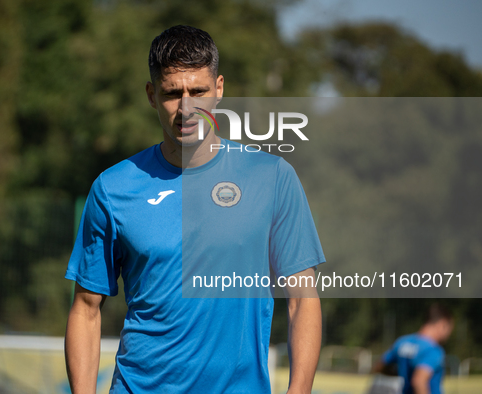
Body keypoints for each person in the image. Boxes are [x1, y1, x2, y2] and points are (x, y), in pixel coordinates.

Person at [64, 25, 325, 393]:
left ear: (219, 88)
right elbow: (86, 310)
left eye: (198, 91)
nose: (187, 108)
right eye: (173, 93)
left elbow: (303, 301)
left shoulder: (272, 179)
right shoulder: (113, 188)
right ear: (152, 95)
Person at [372, 304, 454, 394]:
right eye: (449, 329)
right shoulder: (433, 350)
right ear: (442, 324)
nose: (449, 334)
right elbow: (418, 381)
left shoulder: (402, 342)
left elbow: (379, 367)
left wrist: (402, 373)